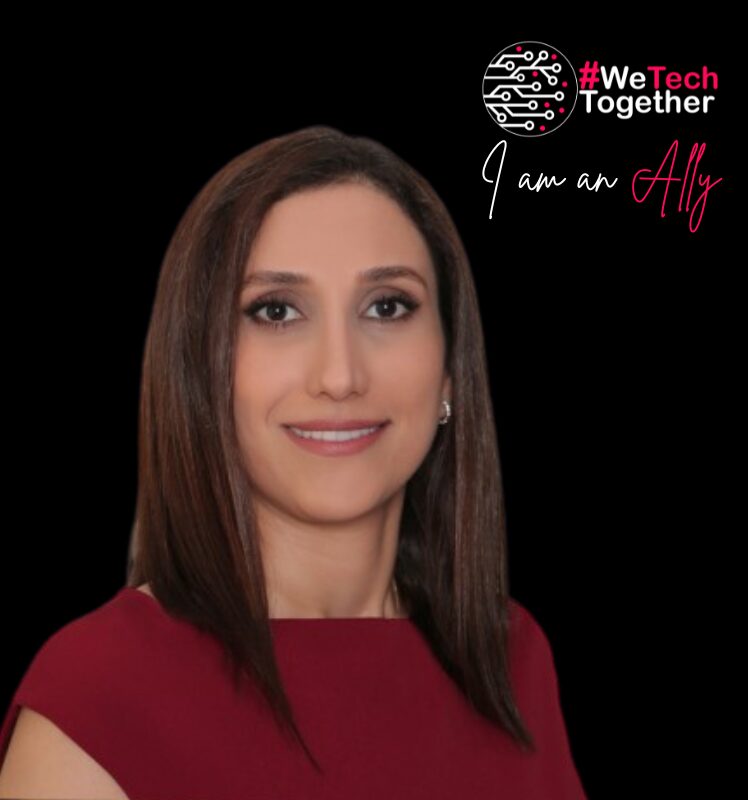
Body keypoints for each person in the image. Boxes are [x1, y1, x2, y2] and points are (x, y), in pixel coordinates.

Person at [0, 126, 588, 799]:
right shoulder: (96, 697)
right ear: (201, 367)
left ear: (451, 367)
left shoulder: (510, 657)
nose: (339, 376)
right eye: (276, 311)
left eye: (387, 306)